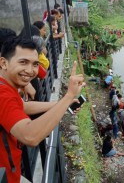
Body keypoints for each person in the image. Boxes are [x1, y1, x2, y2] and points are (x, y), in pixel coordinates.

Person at [0, 37, 85, 182]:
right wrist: (69, 95)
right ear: (3, 63)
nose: (30, 70)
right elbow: (30, 136)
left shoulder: (6, 86)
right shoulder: (3, 94)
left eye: (35, 64)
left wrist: (63, 104)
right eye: (23, 62)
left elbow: (23, 106)